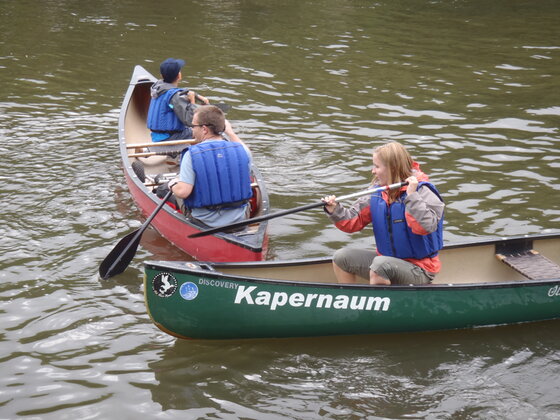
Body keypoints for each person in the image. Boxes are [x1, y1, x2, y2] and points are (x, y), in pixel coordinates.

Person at [322, 141, 444, 285]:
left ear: (392, 168)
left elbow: (425, 227)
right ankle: (350, 300)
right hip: (386, 261)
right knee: (341, 257)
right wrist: (334, 209)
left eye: (377, 166)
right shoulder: (377, 193)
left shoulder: (423, 192)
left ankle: (382, 306)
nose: (373, 171)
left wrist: (411, 197)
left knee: (380, 266)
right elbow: (351, 223)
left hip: (419, 269)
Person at [167, 105, 253, 228]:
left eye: (193, 126)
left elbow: (183, 192)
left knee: (168, 190)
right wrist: (230, 132)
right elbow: (242, 149)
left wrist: (172, 185)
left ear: (204, 129)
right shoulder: (243, 151)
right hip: (240, 219)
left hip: (203, 222)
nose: (192, 130)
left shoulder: (191, 154)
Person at [146, 57, 210, 142]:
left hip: (156, 136)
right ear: (179, 75)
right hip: (169, 137)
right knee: (203, 131)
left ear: (161, 76)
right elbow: (191, 121)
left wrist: (198, 96)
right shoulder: (175, 96)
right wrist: (192, 102)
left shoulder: (157, 87)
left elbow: (179, 91)